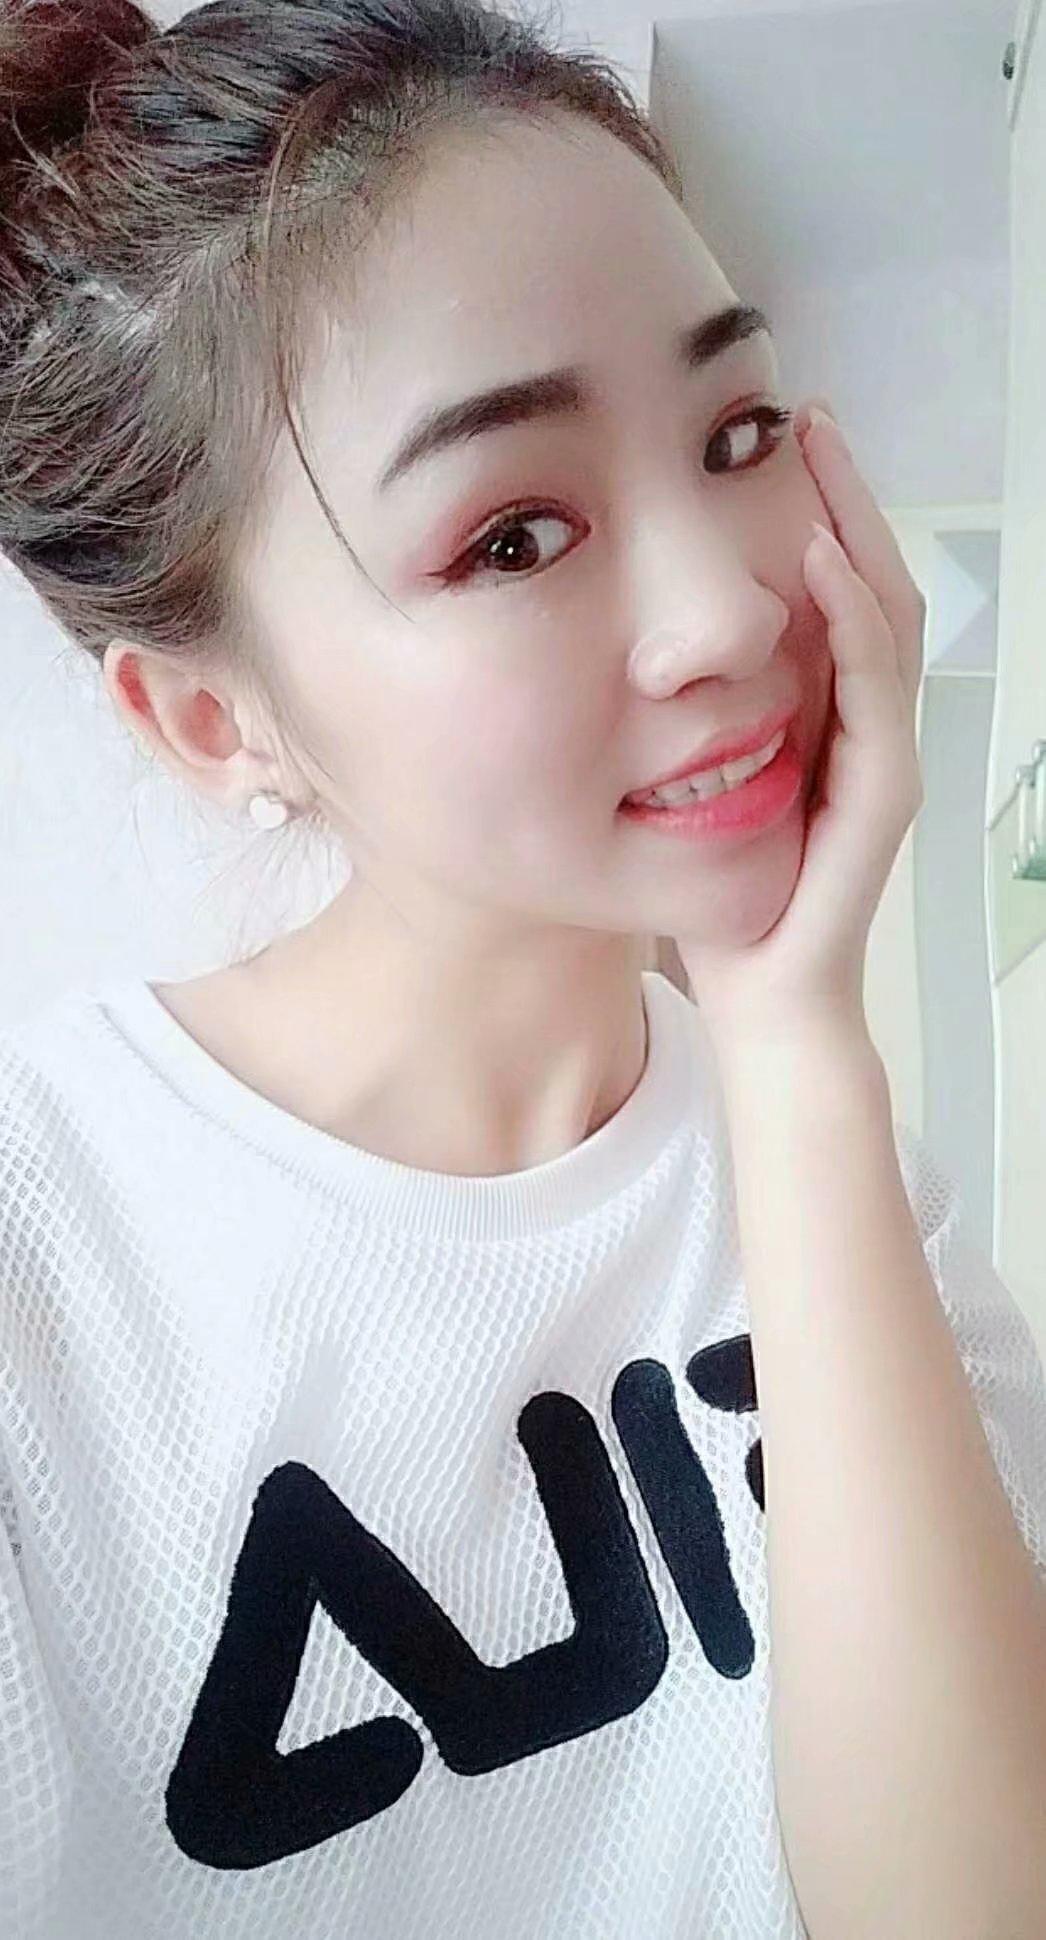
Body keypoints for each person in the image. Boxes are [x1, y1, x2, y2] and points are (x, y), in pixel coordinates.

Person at [2, 3, 1045, 1937]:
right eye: (512, 536)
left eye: (737, 433)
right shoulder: (46, 1268)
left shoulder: (836, 1175)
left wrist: (789, 1041)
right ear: (217, 723)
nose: (725, 609)